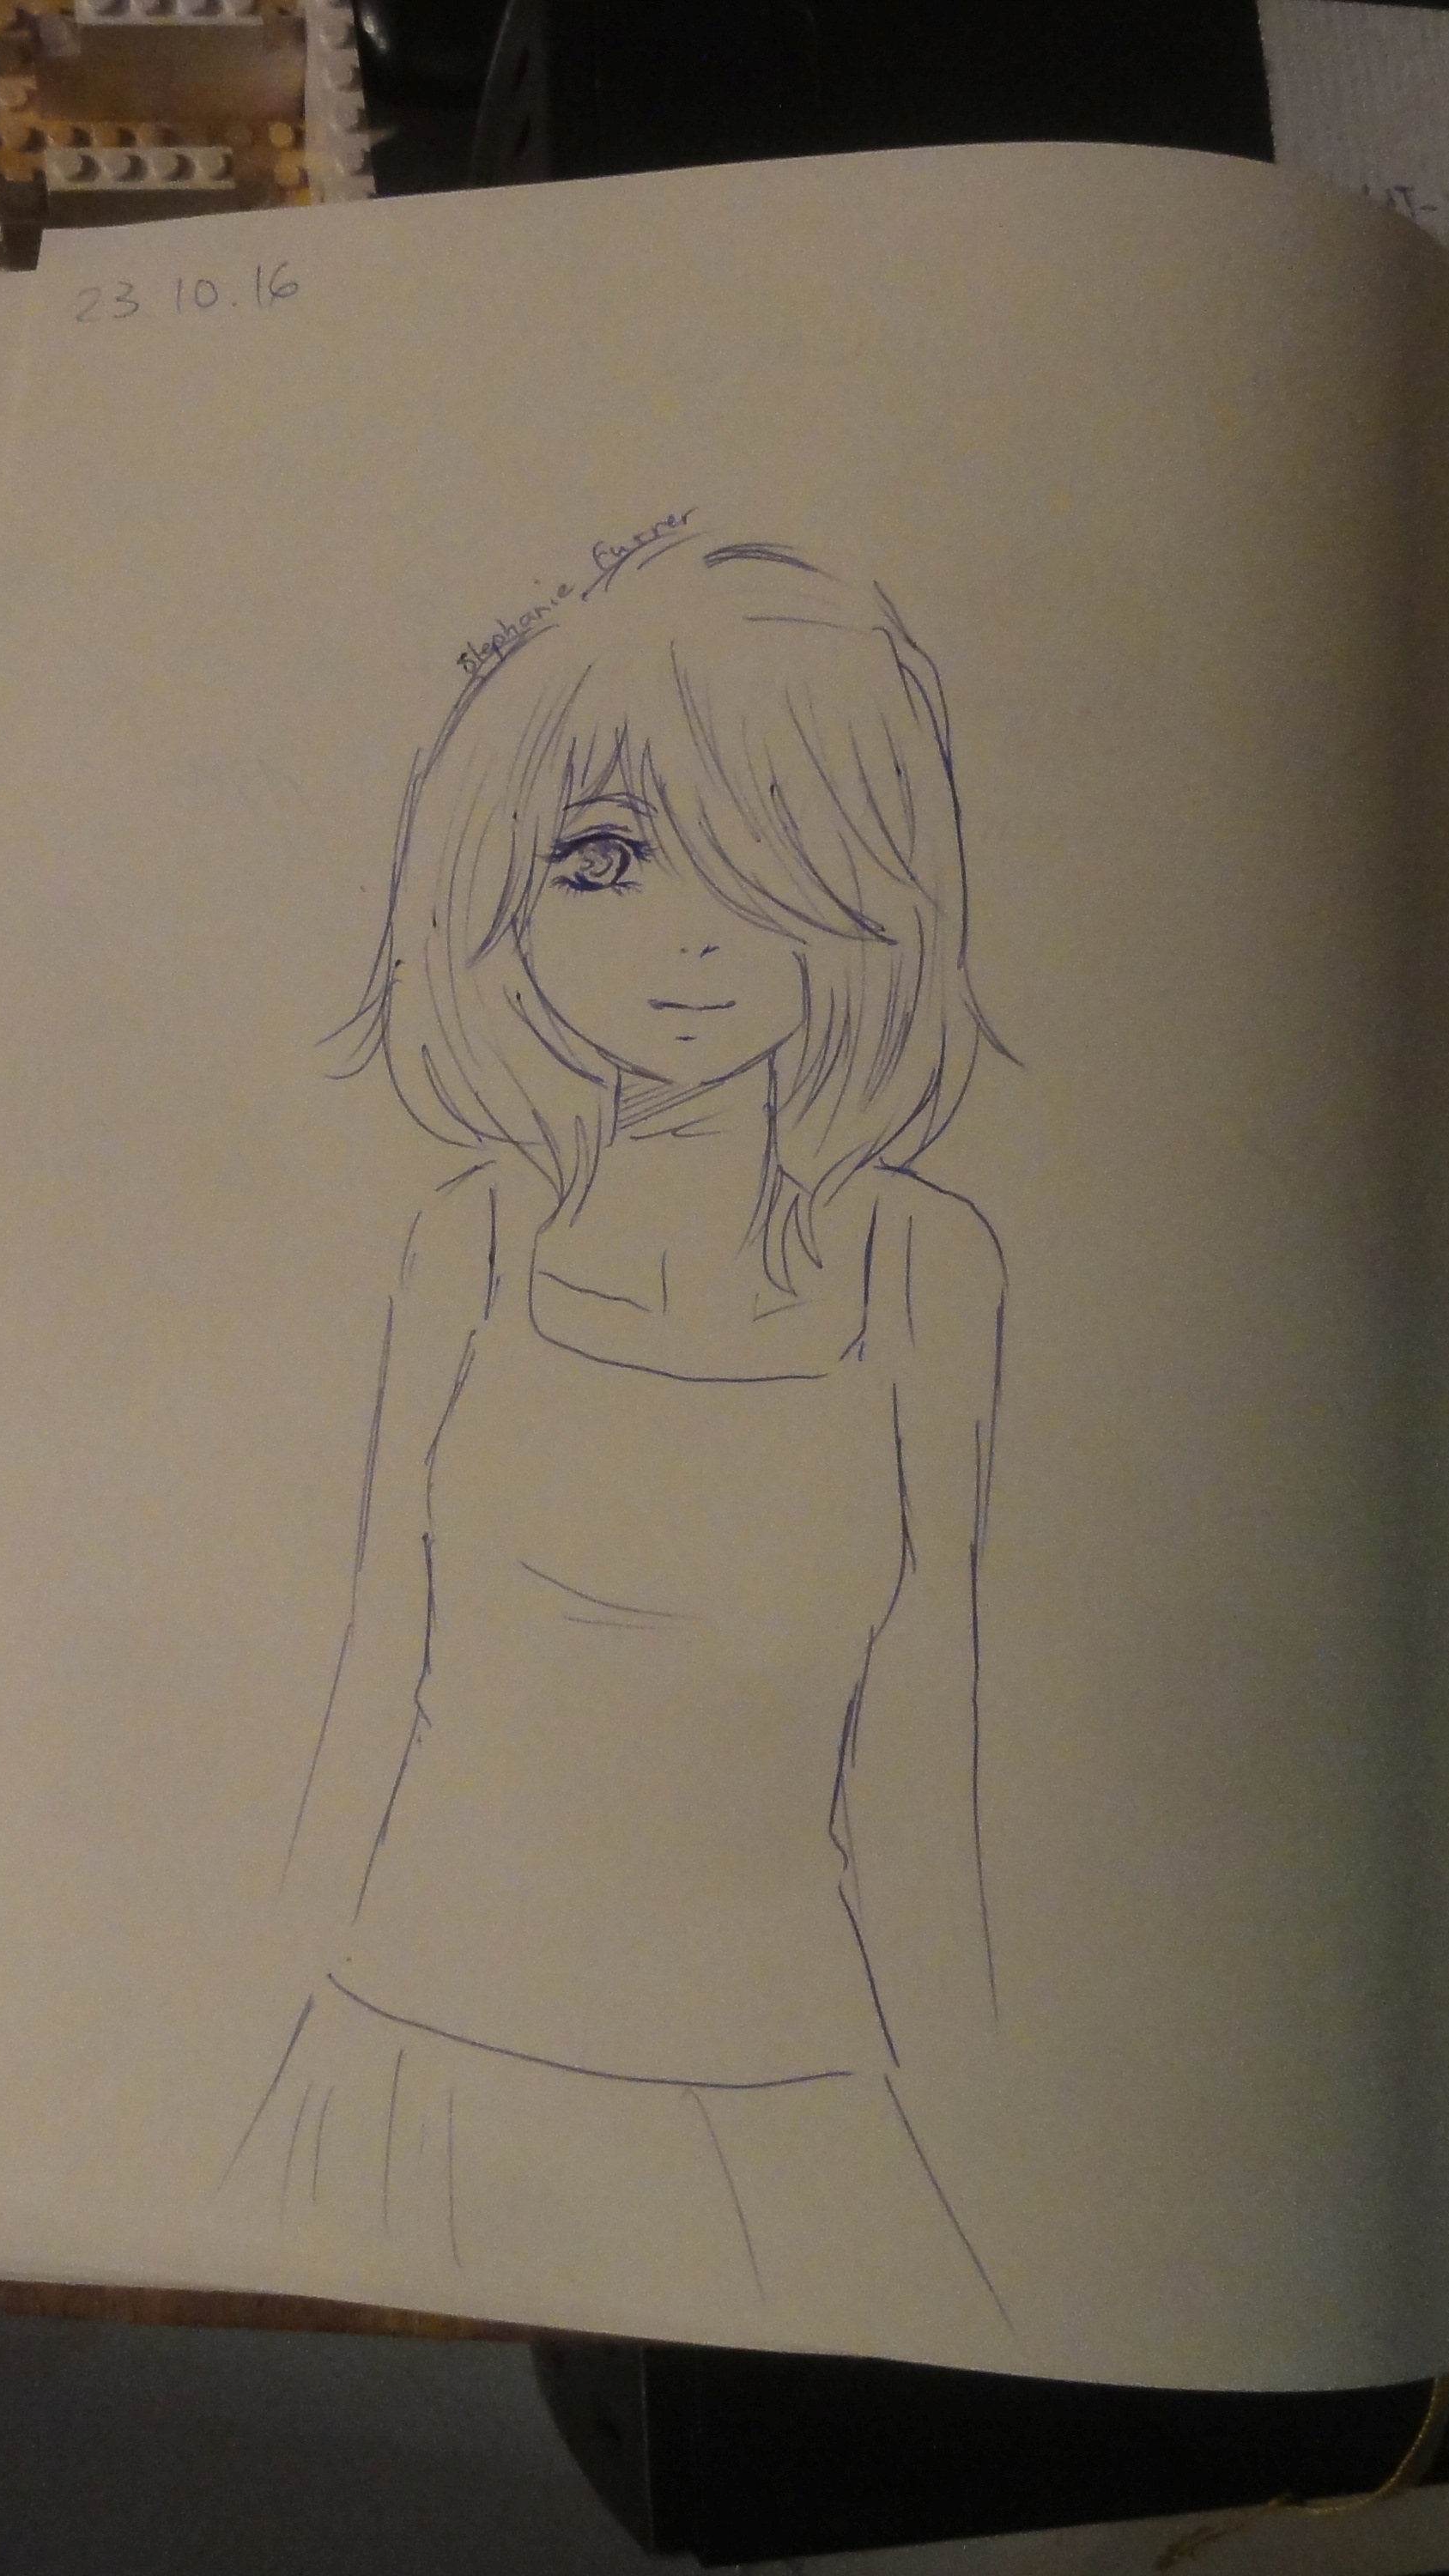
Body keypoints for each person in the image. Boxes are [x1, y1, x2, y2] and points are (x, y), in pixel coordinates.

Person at [234, 532, 1010, 2330]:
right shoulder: (467, 1243)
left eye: (761, 854)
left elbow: (929, 1724)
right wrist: (274, 1993)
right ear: (496, 889)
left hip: (778, 2068)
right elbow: (376, 1660)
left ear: (871, 891)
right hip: (412, 2040)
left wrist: (984, 2101)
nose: (687, 934)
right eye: (602, 858)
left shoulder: (923, 1270)